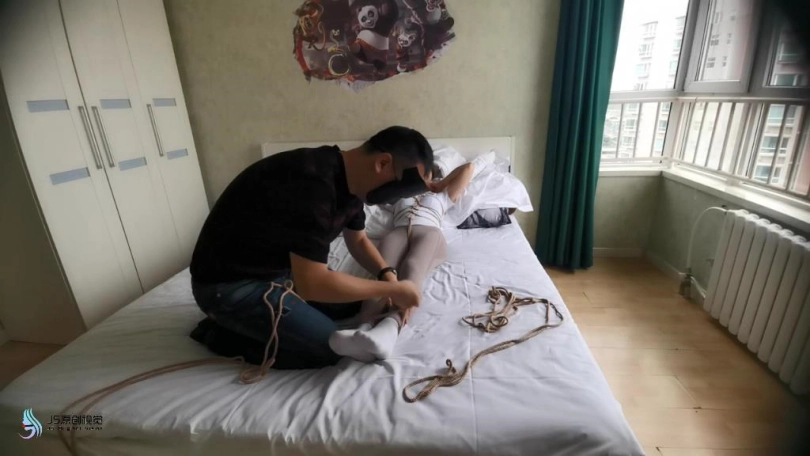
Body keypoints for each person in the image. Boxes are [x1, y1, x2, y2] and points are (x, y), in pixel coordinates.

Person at [189, 126, 434, 369]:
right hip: (227, 287)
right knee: (331, 349)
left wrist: (387, 275)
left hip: (276, 272)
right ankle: (217, 333)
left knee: (353, 306)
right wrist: (394, 289)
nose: (391, 199)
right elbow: (312, 284)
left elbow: (358, 241)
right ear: (382, 163)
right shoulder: (311, 183)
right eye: (397, 189)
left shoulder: (352, 183)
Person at [328, 152, 494, 361]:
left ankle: (390, 328)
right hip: (398, 232)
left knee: (412, 266)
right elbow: (373, 193)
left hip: (429, 233)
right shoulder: (400, 194)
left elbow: (469, 168)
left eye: (429, 174)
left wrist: (439, 183)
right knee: (383, 270)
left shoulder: (444, 196)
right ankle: (364, 327)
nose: (426, 178)